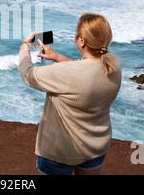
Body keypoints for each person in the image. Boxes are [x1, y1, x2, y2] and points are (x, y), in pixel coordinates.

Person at [18, 13, 122, 175]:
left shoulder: (69, 73)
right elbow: (83, 75)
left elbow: (27, 74)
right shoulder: (113, 67)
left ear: (81, 41)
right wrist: (58, 57)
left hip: (60, 152)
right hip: (95, 147)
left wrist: (24, 47)